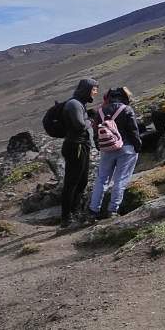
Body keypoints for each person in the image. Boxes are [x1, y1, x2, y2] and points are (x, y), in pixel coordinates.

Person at [86, 87, 143, 220]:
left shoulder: (100, 112)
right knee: (120, 179)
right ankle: (112, 210)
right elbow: (133, 131)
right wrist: (138, 147)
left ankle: (93, 210)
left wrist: (100, 147)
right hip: (127, 148)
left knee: (101, 180)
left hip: (107, 150)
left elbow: (95, 133)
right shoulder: (126, 109)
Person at [58, 78, 98, 228]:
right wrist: (90, 120)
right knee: (72, 182)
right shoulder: (74, 104)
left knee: (82, 181)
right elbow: (80, 125)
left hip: (81, 146)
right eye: (94, 89)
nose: (95, 92)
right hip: (75, 147)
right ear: (86, 89)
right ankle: (66, 218)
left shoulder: (79, 103)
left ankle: (75, 212)